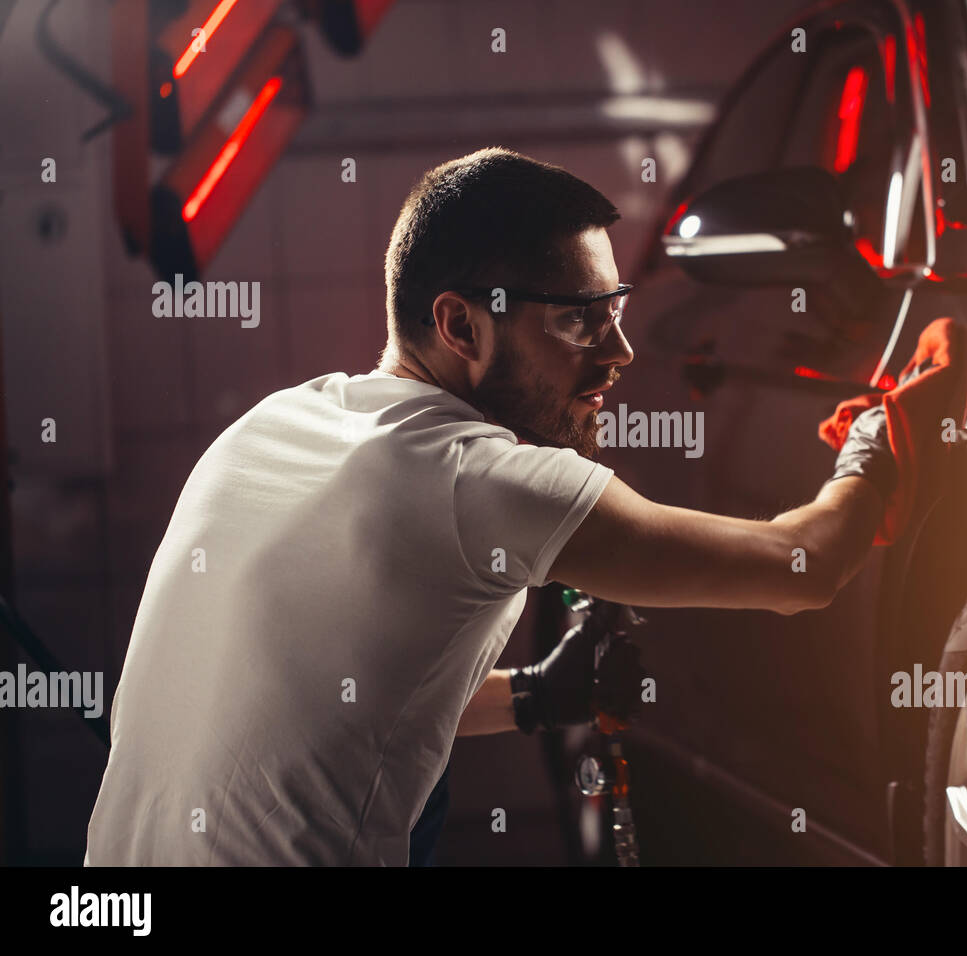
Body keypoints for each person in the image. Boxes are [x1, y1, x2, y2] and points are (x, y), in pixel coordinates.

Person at [84, 147, 897, 866]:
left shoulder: (268, 426)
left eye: (613, 313)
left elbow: (359, 698)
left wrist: (540, 694)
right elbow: (805, 566)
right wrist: (885, 436)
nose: (619, 353)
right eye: (580, 321)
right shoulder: (482, 481)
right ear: (461, 325)